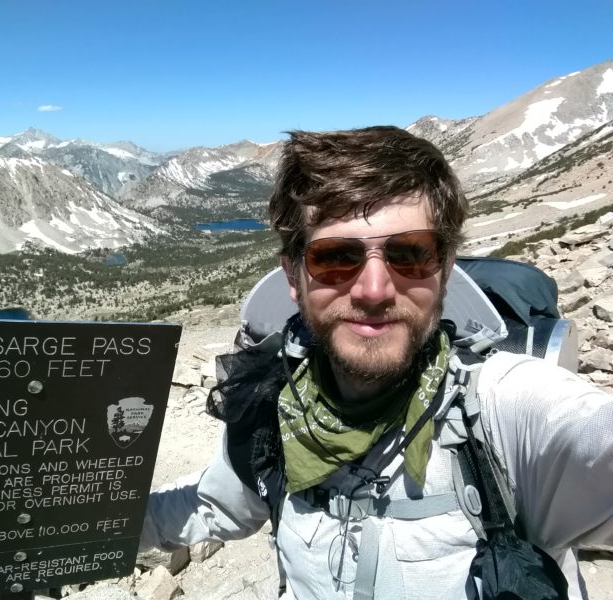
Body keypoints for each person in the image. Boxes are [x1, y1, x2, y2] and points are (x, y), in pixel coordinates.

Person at [140, 126, 613, 599]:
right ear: (293, 275)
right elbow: (217, 505)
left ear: (445, 269)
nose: (373, 290)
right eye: (336, 256)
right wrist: (85, 529)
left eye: (410, 254)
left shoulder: (504, 412)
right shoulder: (275, 407)